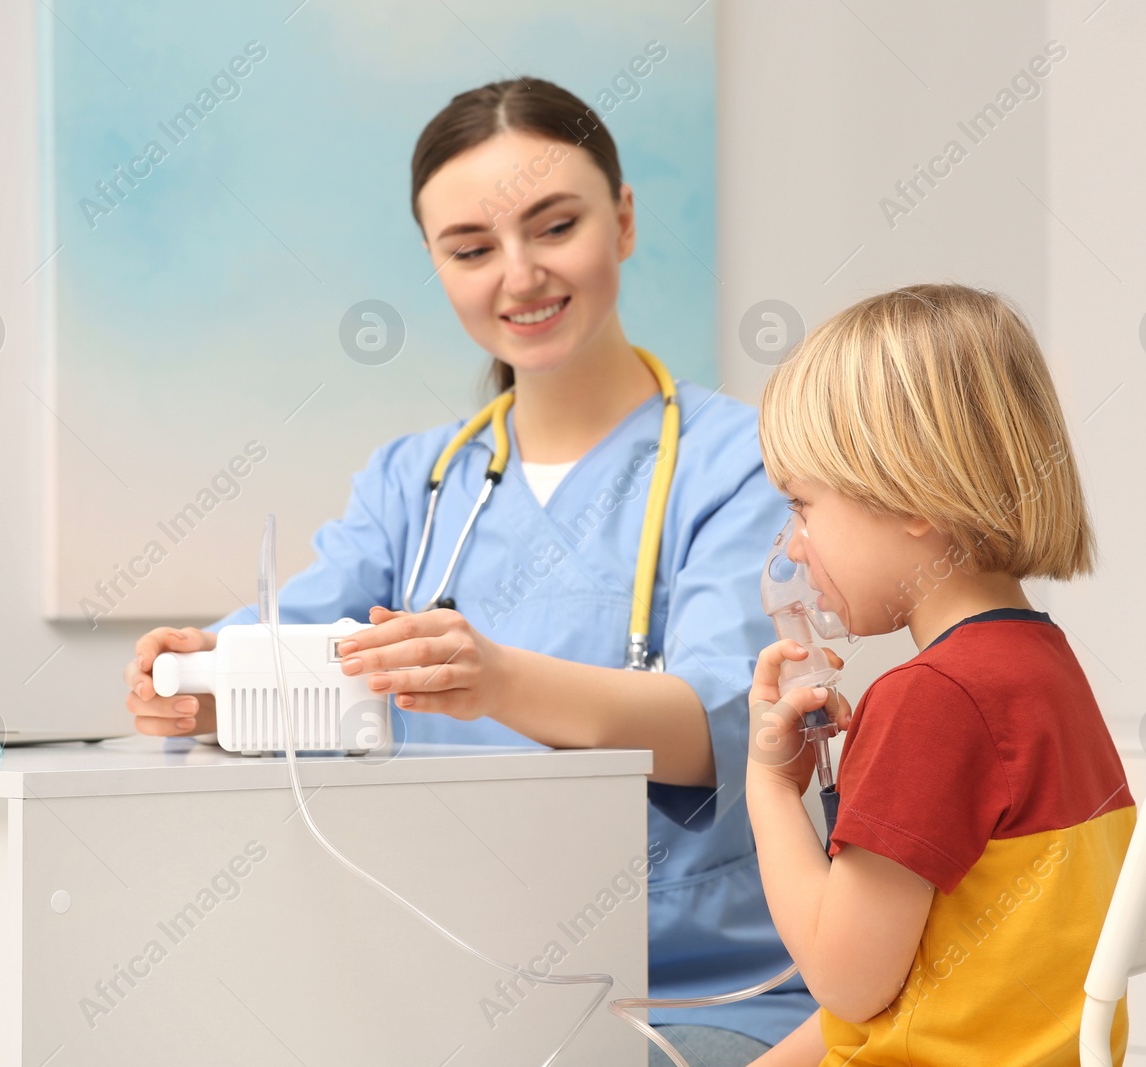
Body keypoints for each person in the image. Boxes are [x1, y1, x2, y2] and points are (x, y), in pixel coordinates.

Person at [123, 77, 812, 1064]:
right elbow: (292, 648)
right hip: (442, 981)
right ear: (436, 266)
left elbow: (723, 731)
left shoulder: (738, 460)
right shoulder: (414, 485)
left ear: (620, 220)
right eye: (473, 249)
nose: (520, 275)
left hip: (690, 989)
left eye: (555, 225)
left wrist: (502, 680)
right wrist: (203, 685)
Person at [743, 284, 1136, 1065]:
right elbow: (919, 992)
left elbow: (847, 983)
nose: (791, 547)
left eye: (803, 505)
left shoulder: (930, 699)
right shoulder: (1044, 669)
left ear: (910, 496)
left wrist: (768, 788)